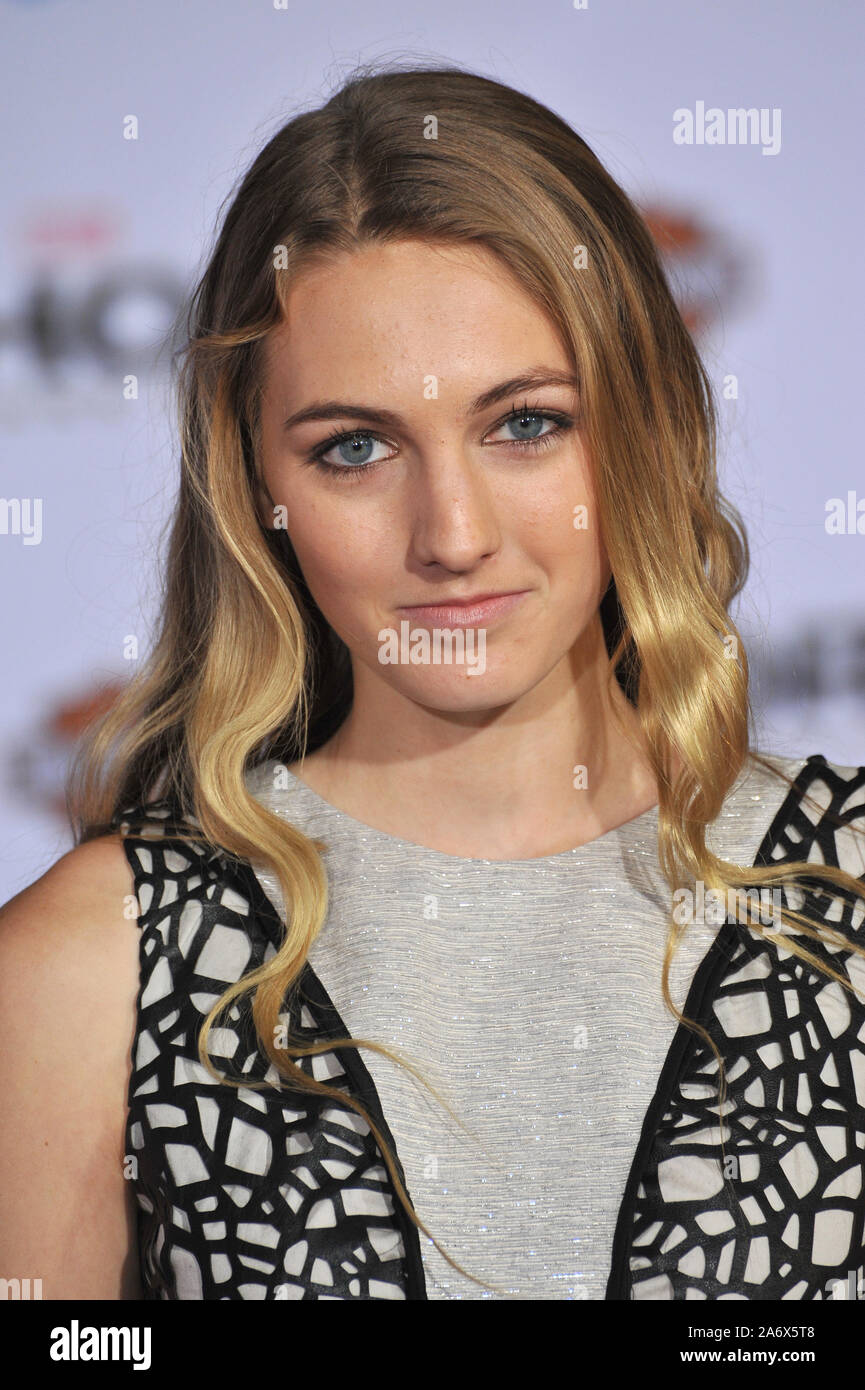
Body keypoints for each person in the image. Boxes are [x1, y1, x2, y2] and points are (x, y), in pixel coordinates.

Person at [1, 61, 864, 1303]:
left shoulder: (838, 890)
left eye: (525, 423)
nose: (451, 533)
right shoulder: (91, 968)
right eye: (355, 449)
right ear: (258, 493)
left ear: (641, 425)